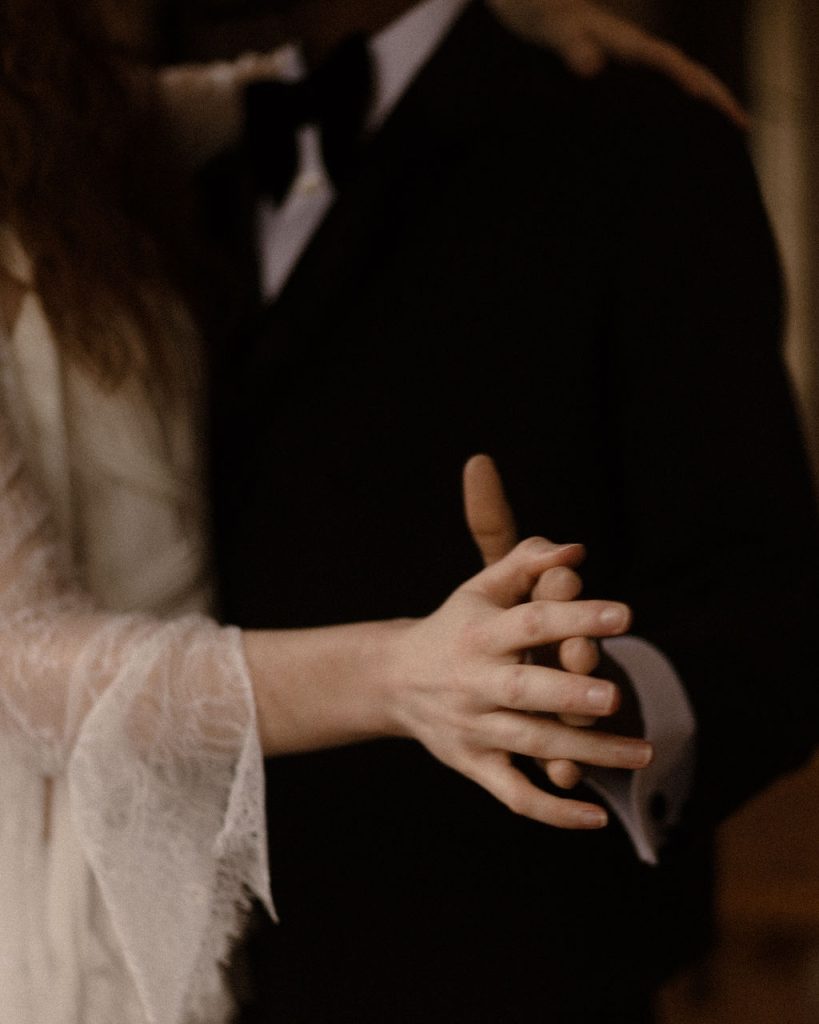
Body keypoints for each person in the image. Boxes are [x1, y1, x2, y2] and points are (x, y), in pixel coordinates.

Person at [0, 0, 716, 1021]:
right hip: (68, 903)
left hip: (264, 883)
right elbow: (20, 660)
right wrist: (399, 673)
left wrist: (513, 20)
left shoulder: (69, 121)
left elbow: (302, 90)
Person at [202, 0, 819, 1021]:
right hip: (168, 955)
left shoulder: (638, 139)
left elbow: (771, 611)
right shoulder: (151, 170)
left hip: (502, 965)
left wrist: (600, 694)